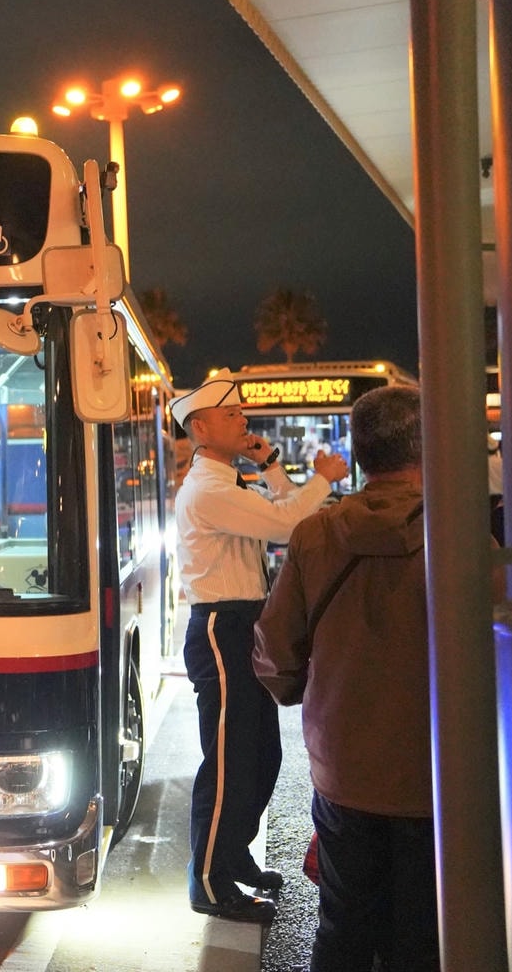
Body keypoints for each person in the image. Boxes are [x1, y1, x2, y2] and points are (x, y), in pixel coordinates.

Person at [252, 385, 440, 970]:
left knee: (344, 925)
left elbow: (276, 649)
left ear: (359, 456)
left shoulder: (316, 535)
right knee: (427, 931)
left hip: (345, 770)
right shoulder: (460, 534)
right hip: (437, 775)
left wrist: (293, 687)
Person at [171, 369, 350, 923]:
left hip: (242, 622)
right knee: (228, 763)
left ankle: (232, 856)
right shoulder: (208, 489)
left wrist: (272, 465)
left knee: (260, 755)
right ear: (200, 427)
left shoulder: (227, 481)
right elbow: (289, 524)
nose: (242, 419)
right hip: (222, 627)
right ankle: (209, 880)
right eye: (230, 414)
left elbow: (285, 512)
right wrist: (322, 478)